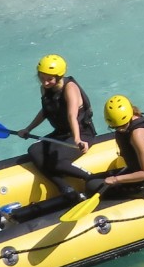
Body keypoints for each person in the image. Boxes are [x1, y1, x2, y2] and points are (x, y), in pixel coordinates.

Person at [17, 54, 97, 207]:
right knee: (34, 150)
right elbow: (45, 111)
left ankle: (91, 178)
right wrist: (28, 129)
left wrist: (77, 139)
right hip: (61, 134)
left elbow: (71, 115)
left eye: (49, 79)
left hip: (82, 134)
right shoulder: (45, 89)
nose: (45, 82)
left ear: (59, 76)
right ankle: (65, 187)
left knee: (55, 160)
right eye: (42, 78)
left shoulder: (70, 88)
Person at [85, 95, 144, 199]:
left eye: (122, 126)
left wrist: (115, 179)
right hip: (135, 172)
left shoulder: (137, 136)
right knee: (91, 180)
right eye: (115, 127)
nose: (120, 130)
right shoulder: (136, 117)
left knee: (92, 186)